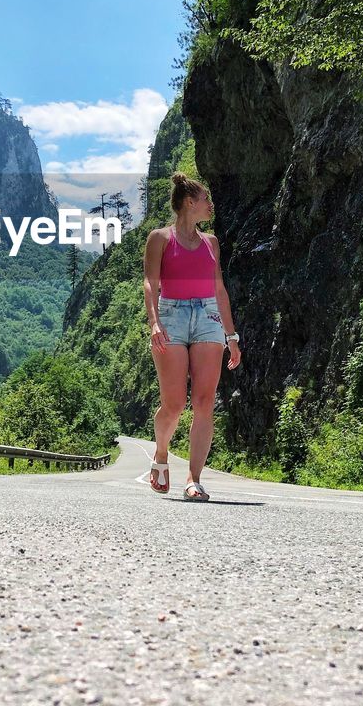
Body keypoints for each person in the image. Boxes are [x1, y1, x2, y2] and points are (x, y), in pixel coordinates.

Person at [141, 171, 241, 501]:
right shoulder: (160, 238)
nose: (211, 205)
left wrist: (232, 336)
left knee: (204, 401)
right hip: (171, 315)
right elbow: (150, 284)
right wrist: (154, 322)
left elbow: (219, 289)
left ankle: (194, 479)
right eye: (205, 200)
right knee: (174, 404)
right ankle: (161, 453)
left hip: (209, 316)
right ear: (189, 203)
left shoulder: (211, 242)